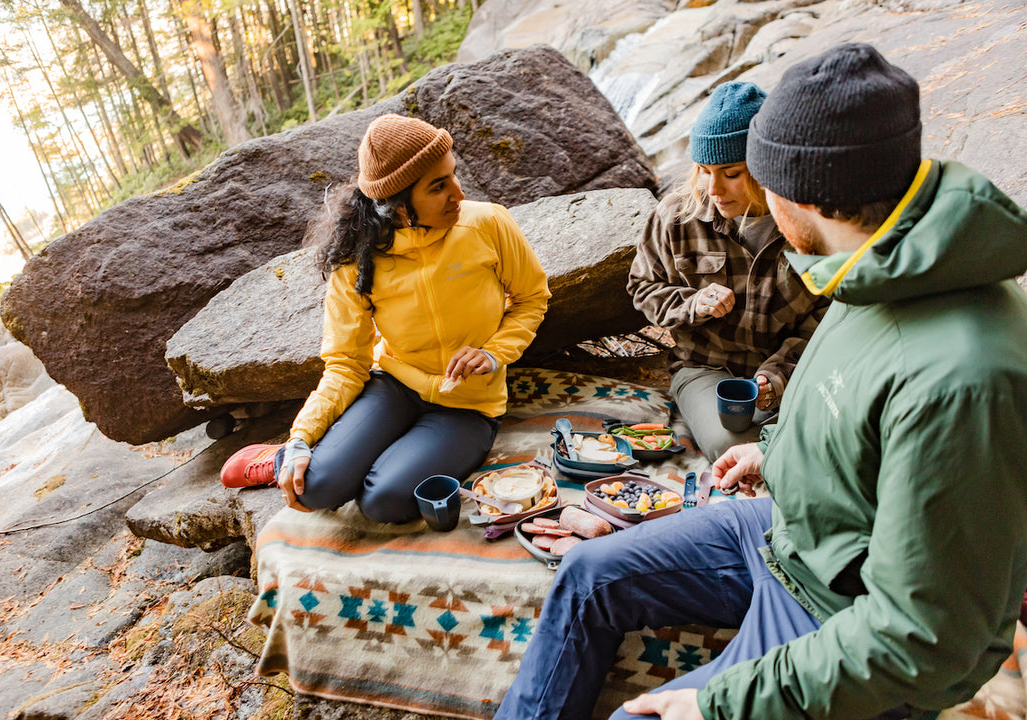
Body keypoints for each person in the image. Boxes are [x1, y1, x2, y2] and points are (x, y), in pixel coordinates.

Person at [494, 43, 1027, 720]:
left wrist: (717, 703)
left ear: (798, 192)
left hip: (840, 610)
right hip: (792, 534)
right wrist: (774, 452)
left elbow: (921, 640)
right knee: (587, 577)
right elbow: (849, 418)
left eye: (755, 181)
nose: (737, 199)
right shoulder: (872, 265)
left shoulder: (965, 379)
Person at [221, 114, 550, 524]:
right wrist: (301, 437)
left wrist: (494, 353)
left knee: (385, 502)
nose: (458, 194)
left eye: (453, 175)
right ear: (395, 204)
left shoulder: (487, 222)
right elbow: (345, 362)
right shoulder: (358, 258)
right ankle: (282, 460)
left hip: (467, 406)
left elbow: (532, 297)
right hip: (393, 387)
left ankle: (373, 458)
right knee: (316, 487)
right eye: (438, 186)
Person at [627, 81, 828, 462]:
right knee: (729, 445)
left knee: (836, 426)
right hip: (705, 367)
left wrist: (778, 376)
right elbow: (642, 287)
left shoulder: (811, 224)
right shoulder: (675, 216)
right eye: (703, 170)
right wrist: (692, 303)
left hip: (794, 366)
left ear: (765, 167)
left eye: (731, 172)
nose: (714, 188)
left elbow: (827, 315)